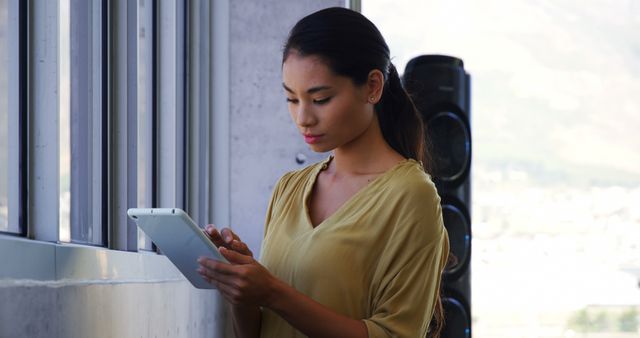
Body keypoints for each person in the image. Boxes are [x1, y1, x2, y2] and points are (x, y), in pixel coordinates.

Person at [197, 7, 450, 338]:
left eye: (320, 98)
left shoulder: (411, 195)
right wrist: (244, 288)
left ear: (373, 86)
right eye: (291, 99)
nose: (303, 118)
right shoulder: (289, 188)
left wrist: (273, 291)